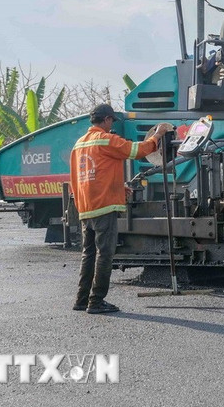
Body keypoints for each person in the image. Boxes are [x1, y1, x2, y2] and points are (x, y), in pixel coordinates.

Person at [70, 104, 171, 314]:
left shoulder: (79, 144)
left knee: (88, 253)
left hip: (85, 206)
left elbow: (84, 176)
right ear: (107, 120)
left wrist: (118, 186)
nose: (111, 125)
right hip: (103, 206)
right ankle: (96, 301)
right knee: (105, 254)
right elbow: (138, 151)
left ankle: (81, 299)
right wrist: (158, 136)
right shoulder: (107, 140)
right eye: (111, 122)